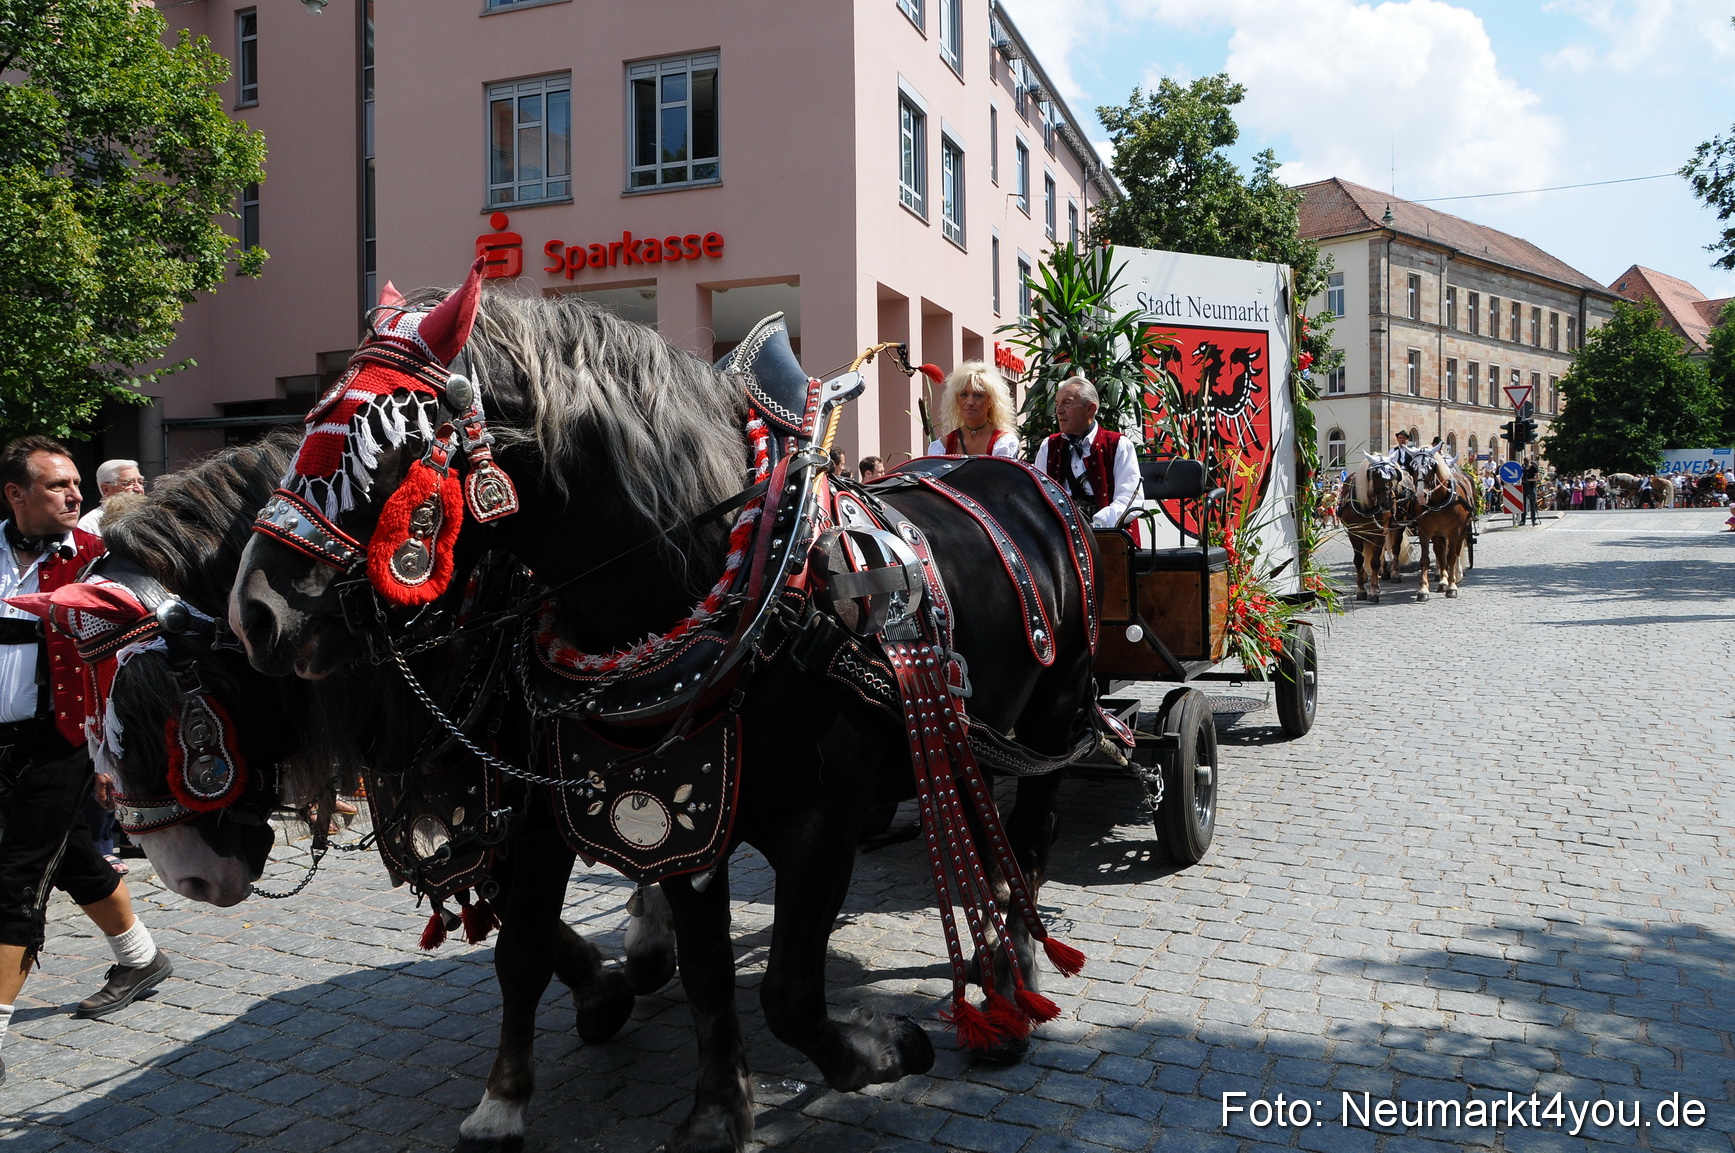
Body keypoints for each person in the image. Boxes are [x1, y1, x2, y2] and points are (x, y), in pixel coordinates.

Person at [0, 437, 172, 1084]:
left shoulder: (99, 557)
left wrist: (111, 749)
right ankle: (141, 957)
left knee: (16, 877)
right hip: (1, 741)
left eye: (76, 483)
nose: (75, 495)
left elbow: (130, 658)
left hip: (66, 740)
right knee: (67, 853)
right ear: (16, 494)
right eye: (57, 485)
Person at [1032, 376, 1141, 529]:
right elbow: (1038, 497)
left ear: (1090, 409)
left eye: (1067, 403)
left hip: (1109, 533)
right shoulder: (1048, 446)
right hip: (1061, 534)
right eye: (1057, 404)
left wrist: (1098, 525)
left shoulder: (1119, 445)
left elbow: (1129, 499)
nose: (1058, 410)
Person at [925, 361, 1020, 459]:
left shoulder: (1004, 443)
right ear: (956, 399)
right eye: (964, 395)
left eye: (978, 395)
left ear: (991, 400)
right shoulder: (941, 447)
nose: (970, 402)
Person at [75, 459, 145, 536]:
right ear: (106, 489)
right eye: (127, 483)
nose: (139, 489)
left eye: (140, 482)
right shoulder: (90, 524)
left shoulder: (150, 516)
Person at [1521, 457, 1539, 525]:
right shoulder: (1523, 468)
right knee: (1523, 505)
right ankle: (1523, 520)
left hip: (1531, 487)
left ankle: (1533, 519)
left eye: (1527, 462)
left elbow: (1537, 478)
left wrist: (1529, 480)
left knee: (1532, 504)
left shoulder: (1533, 468)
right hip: (1524, 487)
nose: (1526, 463)